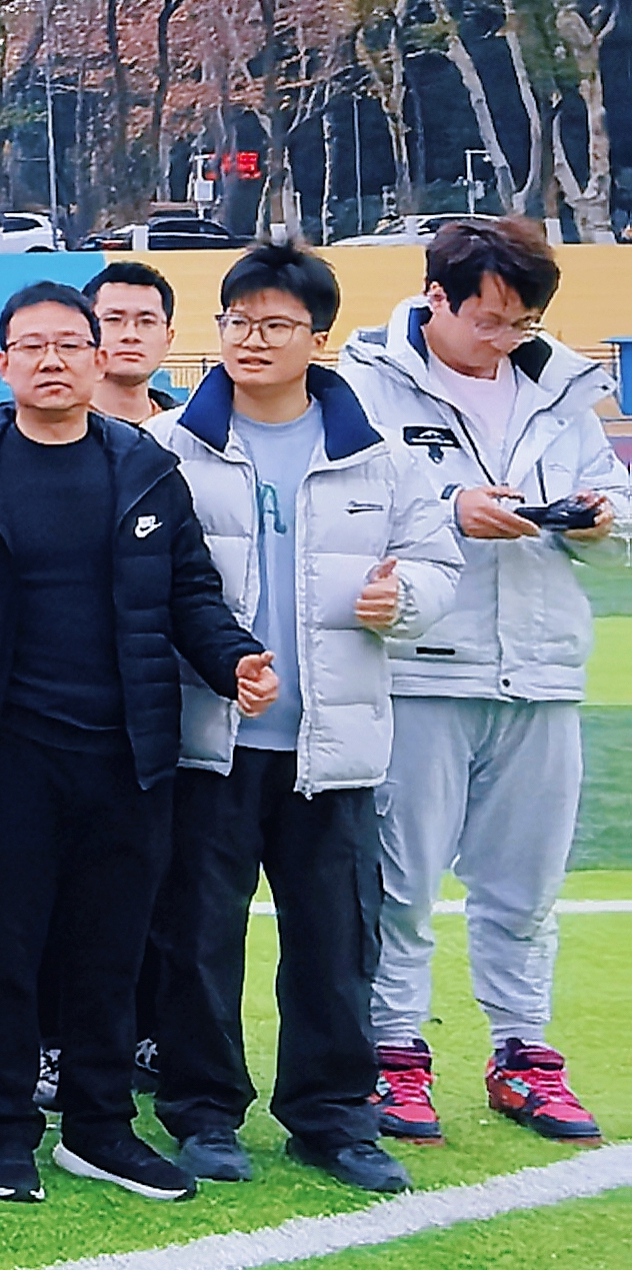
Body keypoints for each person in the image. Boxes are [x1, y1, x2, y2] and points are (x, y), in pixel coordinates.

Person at [0, 283, 270, 1206]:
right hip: (4, 757)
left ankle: (100, 1128)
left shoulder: (146, 468)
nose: (53, 361)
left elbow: (190, 592)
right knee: (4, 951)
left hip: (129, 755)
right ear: (1, 363)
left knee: (111, 952)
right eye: (32, 346)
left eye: (70, 345)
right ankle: (6, 1129)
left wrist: (233, 658)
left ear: (97, 357)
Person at [141, 243, 457, 1197]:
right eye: (238, 322)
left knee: (335, 942)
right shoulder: (168, 448)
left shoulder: (380, 456)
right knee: (198, 939)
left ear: (319, 338)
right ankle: (203, 1112)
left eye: (276, 325)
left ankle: (333, 1117)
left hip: (335, 744)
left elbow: (438, 566)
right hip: (209, 741)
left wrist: (403, 600)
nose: (253, 340)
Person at [339, 215, 624, 1146]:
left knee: (525, 887)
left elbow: (621, 521)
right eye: (490, 320)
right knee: (401, 885)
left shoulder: (563, 391)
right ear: (436, 299)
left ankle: (524, 1055)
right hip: (418, 669)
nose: (505, 339)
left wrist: (599, 522)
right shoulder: (365, 385)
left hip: (541, 671)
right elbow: (347, 508)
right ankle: (393, 1056)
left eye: (523, 323)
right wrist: (451, 509)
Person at [90, 261, 185, 422]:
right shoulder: (55, 428)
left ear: (168, 338)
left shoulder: (188, 429)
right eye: (113, 319)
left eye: (146, 322)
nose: (130, 335)